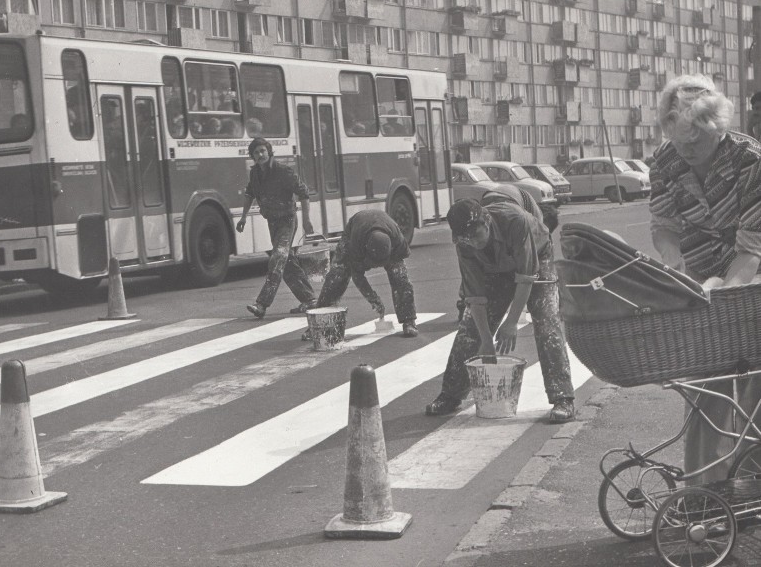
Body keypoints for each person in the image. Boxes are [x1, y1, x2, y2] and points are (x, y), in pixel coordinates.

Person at [649, 73, 761, 484]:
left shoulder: (751, 162)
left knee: (755, 385)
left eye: (694, 143)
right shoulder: (665, 161)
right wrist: (674, 263)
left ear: (717, 129)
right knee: (706, 385)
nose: (685, 151)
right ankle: (705, 491)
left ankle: (750, 485)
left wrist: (725, 300)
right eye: (678, 142)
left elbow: (751, 251)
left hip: (752, 279)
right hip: (702, 278)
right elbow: (663, 225)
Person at [425, 197, 576, 423]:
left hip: (537, 259)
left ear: (487, 222)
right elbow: (475, 297)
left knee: (546, 322)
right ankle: (451, 395)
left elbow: (526, 277)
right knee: (469, 329)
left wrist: (512, 322)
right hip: (496, 269)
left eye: (478, 236)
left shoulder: (514, 221)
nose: (475, 243)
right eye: (468, 239)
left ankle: (563, 398)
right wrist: (486, 340)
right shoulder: (465, 244)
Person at [237, 137, 316, 318]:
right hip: (273, 222)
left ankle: (262, 304)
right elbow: (249, 194)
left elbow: (303, 193)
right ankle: (310, 300)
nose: (260, 155)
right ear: (253, 156)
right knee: (286, 262)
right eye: (256, 152)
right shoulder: (255, 173)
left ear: (269, 151)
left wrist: (306, 220)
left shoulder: (282, 171)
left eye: (263, 151)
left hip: (287, 220)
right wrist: (243, 217)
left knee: (277, 258)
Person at [454, 185, 559, 321]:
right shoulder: (533, 218)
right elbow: (528, 260)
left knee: (481, 260)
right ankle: (464, 303)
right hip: (501, 205)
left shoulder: (515, 218)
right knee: (478, 258)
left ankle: (463, 303)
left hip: (495, 200)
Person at [314, 210, 419, 338]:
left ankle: (409, 321)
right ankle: (318, 323)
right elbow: (357, 275)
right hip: (357, 227)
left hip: (384, 229)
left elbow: (401, 269)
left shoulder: (399, 241)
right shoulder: (356, 244)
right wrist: (374, 300)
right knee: (338, 275)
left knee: (401, 278)